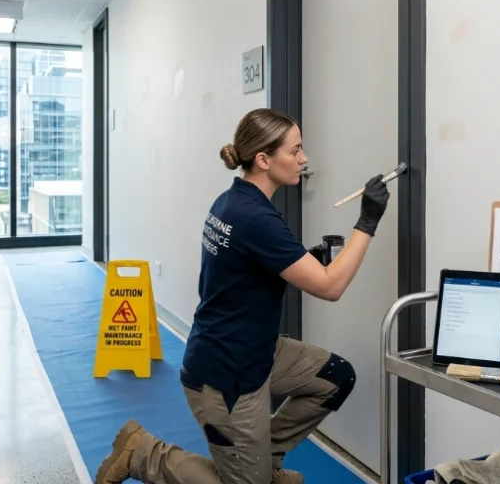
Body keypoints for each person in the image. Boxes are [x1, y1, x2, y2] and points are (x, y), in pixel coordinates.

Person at [95, 108, 391, 484]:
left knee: (334, 378)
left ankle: (262, 463)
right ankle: (144, 454)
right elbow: (330, 287)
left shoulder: (233, 201)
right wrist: (368, 221)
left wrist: (304, 260)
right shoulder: (256, 218)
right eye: (295, 150)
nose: (304, 159)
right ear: (264, 160)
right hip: (226, 372)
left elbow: (249, 267)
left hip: (255, 350)